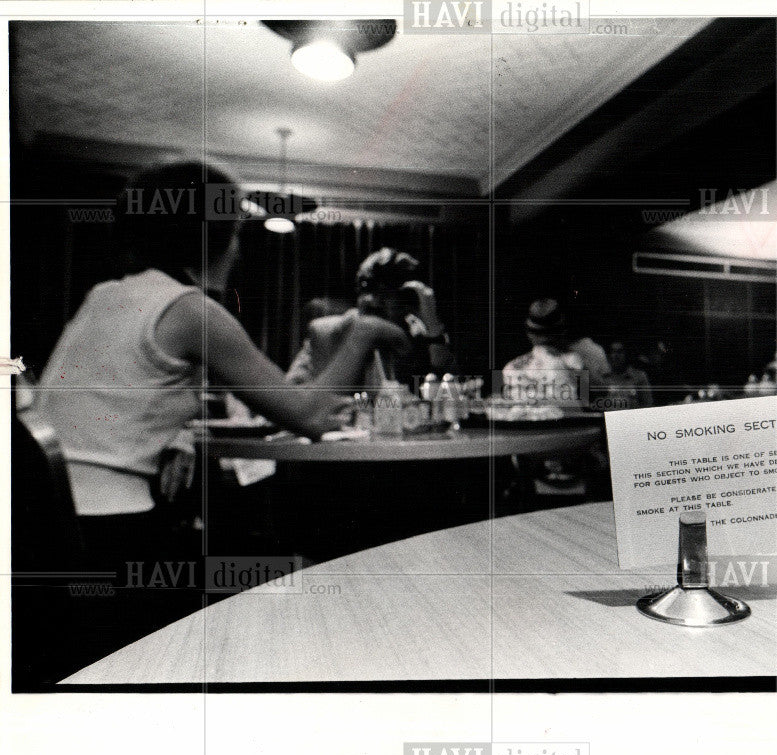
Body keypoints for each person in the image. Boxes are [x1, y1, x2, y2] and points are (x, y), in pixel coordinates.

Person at [31, 160, 408, 677]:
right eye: (232, 233)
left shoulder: (106, 294)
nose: (237, 248)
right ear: (205, 237)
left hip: (43, 524)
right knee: (287, 589)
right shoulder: (190, 310)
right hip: (111, 543)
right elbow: (309, 416)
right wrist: (363, 332)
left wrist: (181, 435)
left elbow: (115, 400)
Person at [286, 248, 456, 388]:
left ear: (406, 300)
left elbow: (449, 391)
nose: (372, 300)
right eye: (367, 289)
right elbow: (292, 397)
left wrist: (432, 323)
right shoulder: (325, 332)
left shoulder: (418, 335)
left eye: (386, 293)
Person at [502, 298, 588, 406]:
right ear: (562, 331)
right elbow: (586, 404)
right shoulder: (575, 362)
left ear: (529, 334)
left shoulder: (511, 368)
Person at [604, 340, 654, 409]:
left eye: (620, 352)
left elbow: (648, 404)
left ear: (626, 354)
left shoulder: (639, 377)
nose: (616, 355)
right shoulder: (603, 378)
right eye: (613, 351)